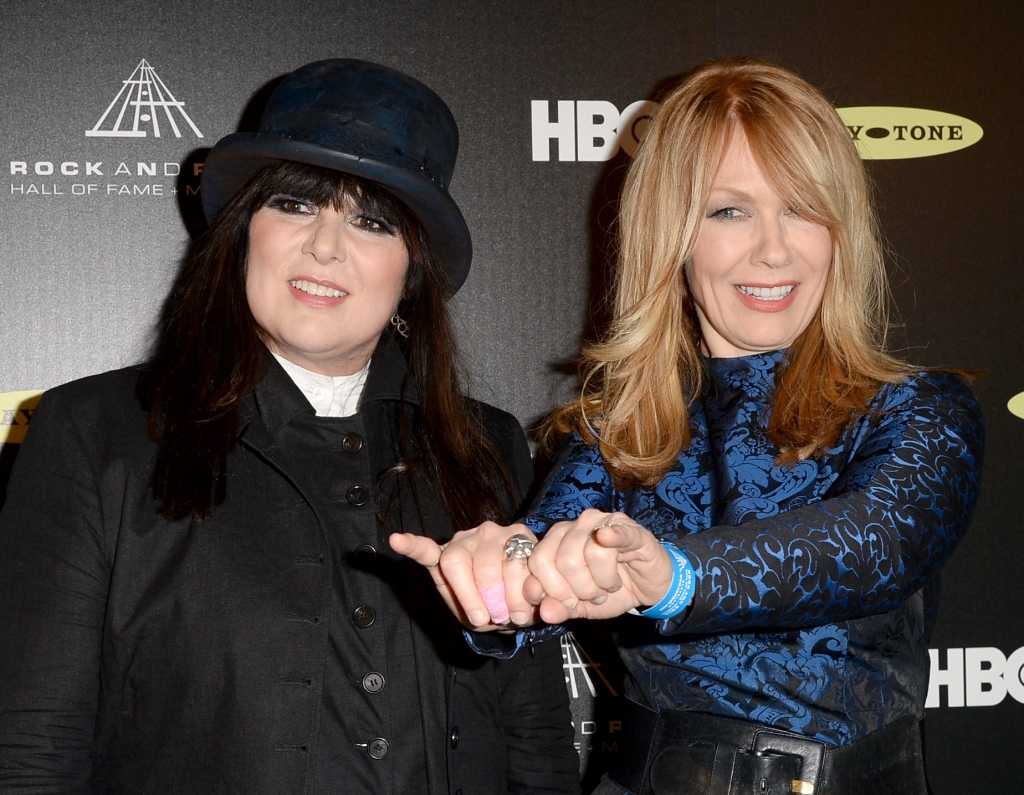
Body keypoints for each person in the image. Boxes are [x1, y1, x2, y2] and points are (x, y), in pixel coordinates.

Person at [392, 58, 984, 794]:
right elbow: (537, 580)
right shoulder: (620, 432)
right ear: (672, 236)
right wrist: (500, 569)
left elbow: (874, 541)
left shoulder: (920, 409)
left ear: (842, 230)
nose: (774, 248)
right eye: (728, 210)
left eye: (801, 208)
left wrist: (670, 576)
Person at [0, 59, 579, 795]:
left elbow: (534, 739)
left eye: (371, 221)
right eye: (297, 206)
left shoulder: (485, 446)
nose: (326, 246)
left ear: (412, 271)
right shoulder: (95, 433)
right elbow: (29, 750)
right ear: (244, 233)